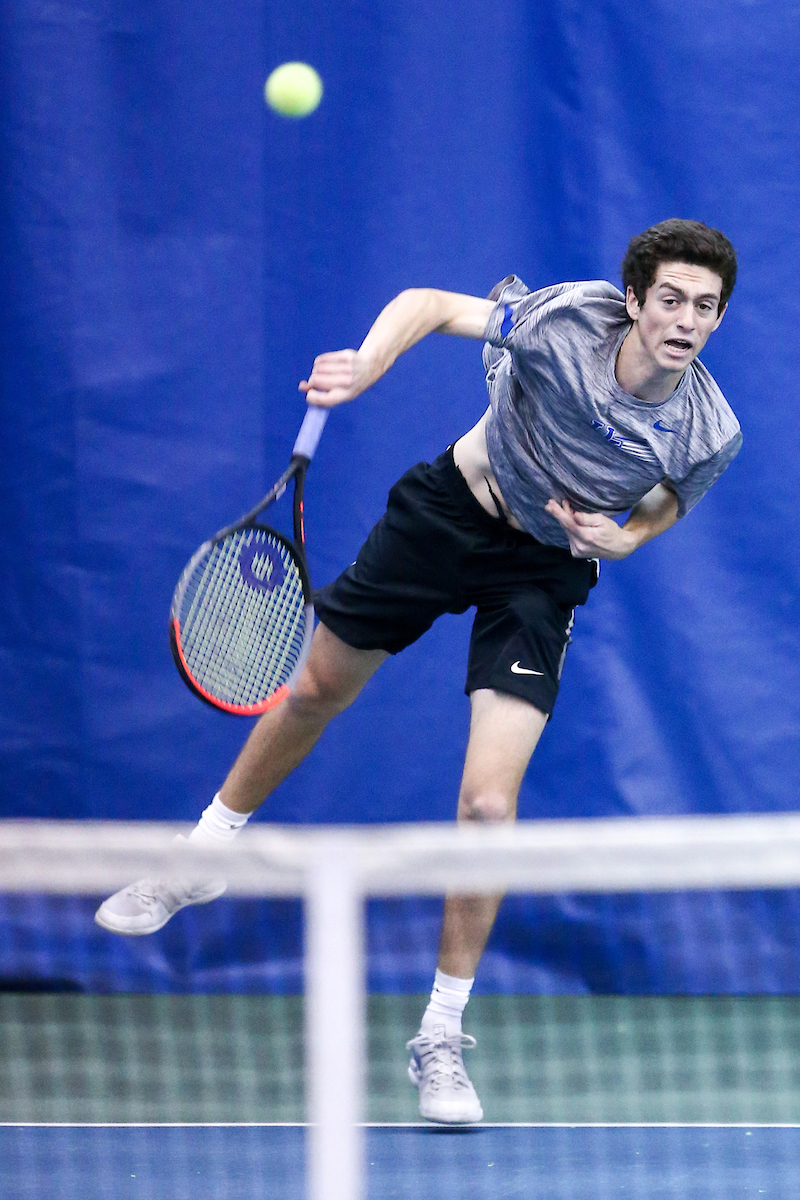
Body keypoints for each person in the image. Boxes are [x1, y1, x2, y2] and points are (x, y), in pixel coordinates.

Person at [96, 218, 742, 1124]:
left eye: (704, 308)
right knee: (316, 688)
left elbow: (670, 500)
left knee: (487, 806)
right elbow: (431, 306)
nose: (685, 320)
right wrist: (367, 364)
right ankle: (200, 857)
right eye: (669, 300)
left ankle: (440, 1036)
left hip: (542, 569)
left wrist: (625, 537)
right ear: (634, 301)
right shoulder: (564, 323)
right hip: (449, 512)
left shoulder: (709, 428)